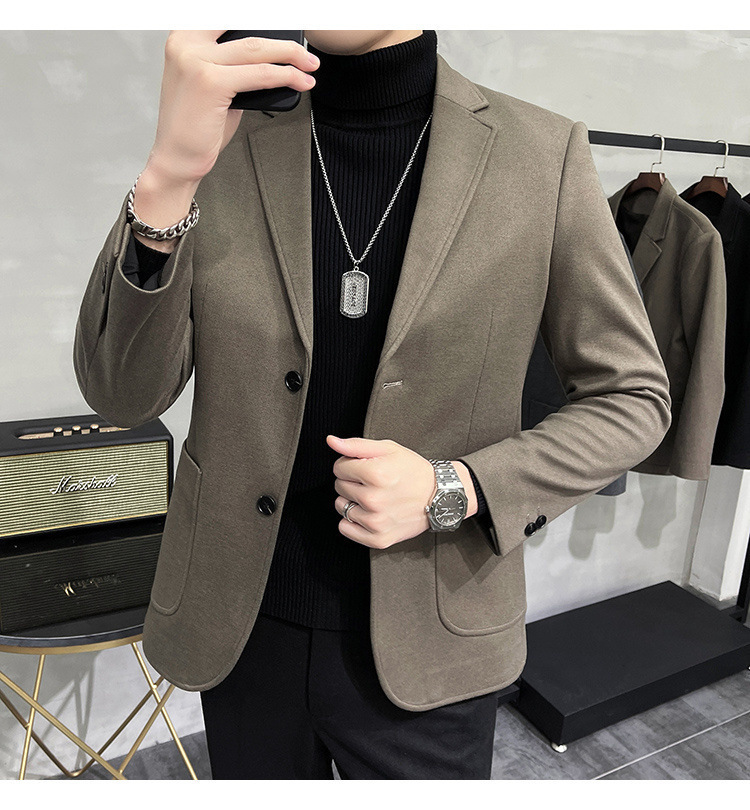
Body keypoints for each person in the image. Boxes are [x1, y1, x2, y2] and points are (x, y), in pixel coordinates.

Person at [73, 30, 672, 779]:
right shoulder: (223, 134)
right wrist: (168, 175)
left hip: (434, 639)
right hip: (241, 626)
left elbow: (632, 399)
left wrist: (455, 488)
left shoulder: (540, 155)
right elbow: (122, 394)